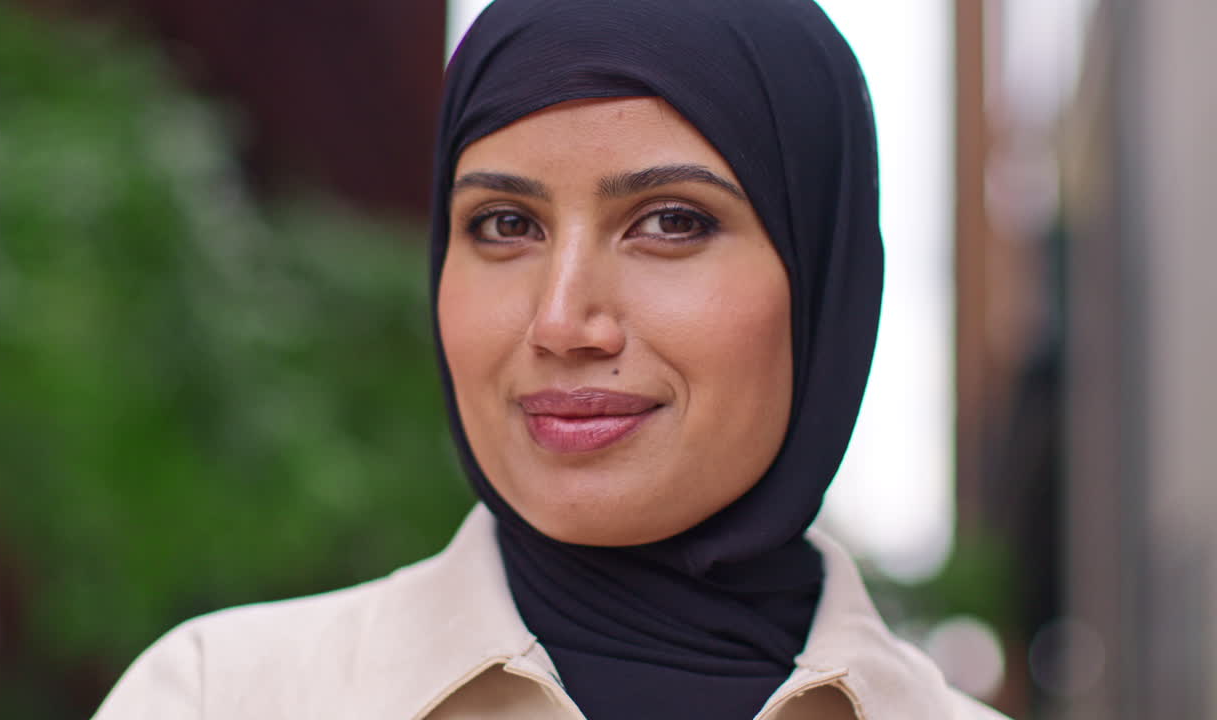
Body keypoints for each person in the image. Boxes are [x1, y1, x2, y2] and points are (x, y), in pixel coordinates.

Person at [93, 0, 1012, 718]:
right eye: (506, 225)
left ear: (822, 280)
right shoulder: (218, 698)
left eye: (671, 222)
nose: (563, 320)